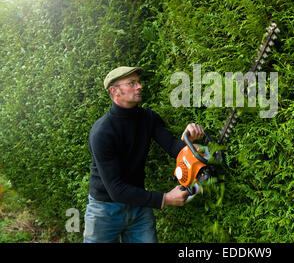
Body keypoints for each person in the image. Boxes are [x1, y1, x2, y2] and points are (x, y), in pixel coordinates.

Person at [83, 66, 204, 243]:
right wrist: (166, 199)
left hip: (139, 205)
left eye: (138, 82)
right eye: (132, 83)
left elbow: (171, 146)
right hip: (104, 209)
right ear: (114, 91)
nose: (139, 86)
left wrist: (190, 143)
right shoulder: (102, 132)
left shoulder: (148, 117)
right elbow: (116, 189)